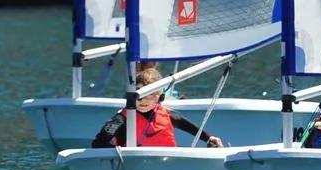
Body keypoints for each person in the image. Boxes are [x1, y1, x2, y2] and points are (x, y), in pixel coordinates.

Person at [89, 62, 223, 148]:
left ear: (160, 97)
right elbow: (98, 143)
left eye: (150, 95)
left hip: (166, 165)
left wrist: (209, 138)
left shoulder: (169, 116)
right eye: (139, 96)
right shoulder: (121, 119)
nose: (143, 101)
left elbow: (192, 129)